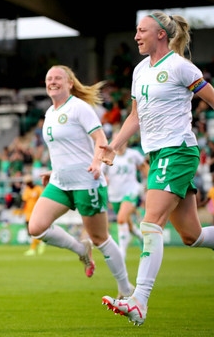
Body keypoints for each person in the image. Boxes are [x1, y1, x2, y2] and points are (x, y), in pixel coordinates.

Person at [100, 12, 214, 326]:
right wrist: (114, 145)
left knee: (150, 222)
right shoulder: (140, 70)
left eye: (142, 31)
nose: (136, 36)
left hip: (177, 151)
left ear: (161, 35)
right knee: (191, 235)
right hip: (158, 156)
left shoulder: (179, 66)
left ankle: (139, 300)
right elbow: (135, 117)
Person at [27, 65, 132, 300]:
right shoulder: (49, 113)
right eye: (48, 78)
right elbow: (66, 148)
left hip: (87, 181)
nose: (52, 82)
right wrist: (53, 170)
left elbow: (100, 139)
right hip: (60, 182)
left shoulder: (79, 108)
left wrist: (97, 163)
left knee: (100, 238)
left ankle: (126, 289)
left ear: (70, 83)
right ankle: (80, 249)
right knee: (36, 227)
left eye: (57, 78)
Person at [102, 144, 148, 259]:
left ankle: (122, 253)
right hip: (114, 195)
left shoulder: (133, 154)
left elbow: (144, 166)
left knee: (121, 218)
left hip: (131, 191)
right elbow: (101, 172)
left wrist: (150, 183)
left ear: (125, 142)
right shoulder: (109, 156)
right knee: (127, 223)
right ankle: (141, 237)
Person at [21, 175, 45, 256]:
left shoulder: (38, 188)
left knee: (34, 231)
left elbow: (43, 199)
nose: (28, 184)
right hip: (28, 213)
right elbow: (24, 201)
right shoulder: (26, 190)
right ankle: (40, 243)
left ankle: (33, 248)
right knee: (29, 232)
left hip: (36, 213)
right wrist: (21, 211)